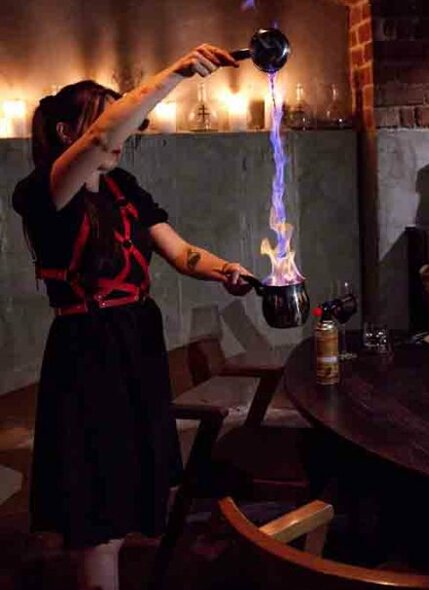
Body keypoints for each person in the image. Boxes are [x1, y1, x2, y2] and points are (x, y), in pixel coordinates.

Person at [12, 45, 253, 590]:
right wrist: (178, 71)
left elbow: (179, 251)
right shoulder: (43, 191)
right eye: (107, 116)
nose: (123, 129)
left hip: (134, 347)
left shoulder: (123, 188)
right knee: (96, 511)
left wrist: (225, 270)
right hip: (88, 357)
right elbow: (102, 137)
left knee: (123, 499)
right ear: (69, 131)